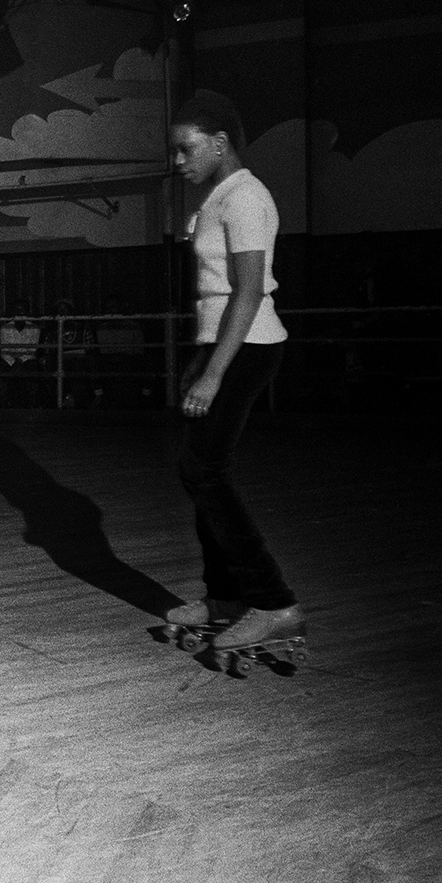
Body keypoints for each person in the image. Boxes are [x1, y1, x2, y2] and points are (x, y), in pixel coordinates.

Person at [163, 90, 304, 656]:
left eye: (186, 149)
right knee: (198, 470)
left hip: (247, 346)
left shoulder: (246, 198)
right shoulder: (221, 195)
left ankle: (274, 603)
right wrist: (202, 360)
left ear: (220, 142)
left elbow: (247, 293)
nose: (178, 161)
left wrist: (213, 373)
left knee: (205, 471)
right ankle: (224, 596)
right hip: (223, 345)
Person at [0, 301, 43, 408]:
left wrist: (20, 361)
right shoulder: (5, 328)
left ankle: (32, 406)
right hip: (9, 360)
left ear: (27, 312)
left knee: (32, 372)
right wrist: (13, 362)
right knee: (0, 372)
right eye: (17, 310)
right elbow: (4, 350)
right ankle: (2, 406)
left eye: (22, 310)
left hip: (28, 360)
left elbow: (33, 350)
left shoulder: (34, 328)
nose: (20, 313)